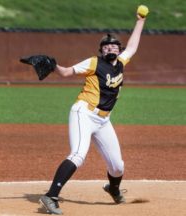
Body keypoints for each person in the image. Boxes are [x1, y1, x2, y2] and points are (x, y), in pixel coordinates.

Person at [39, 13, 147, 215]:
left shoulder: (122, 62)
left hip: (104, 120)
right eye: (106, 46)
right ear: (101, 50)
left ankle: (113, 188)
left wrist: (140, 20)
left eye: (114, 45)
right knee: (78, 154)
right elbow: (66, 72)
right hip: (84, 113)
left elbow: (132, 47)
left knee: (117, 167)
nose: (110, 47)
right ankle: (50, 196)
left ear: (119, 50)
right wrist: (53, 66)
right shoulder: (93, 63)